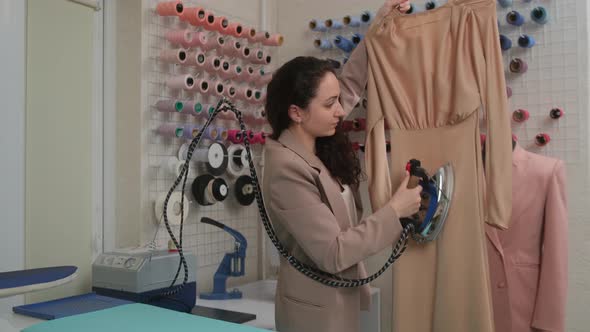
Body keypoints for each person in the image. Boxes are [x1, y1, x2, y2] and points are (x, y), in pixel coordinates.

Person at [261, 2, 417, 331]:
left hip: (336, 300)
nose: (340, 110)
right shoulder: (286, 170)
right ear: (296, 112)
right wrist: (395, 211)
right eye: (330, 104)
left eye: (337, 103)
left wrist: (379, 24)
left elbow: (349, 85)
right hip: (313, 314)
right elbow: (333, 252)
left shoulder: (315, 144)